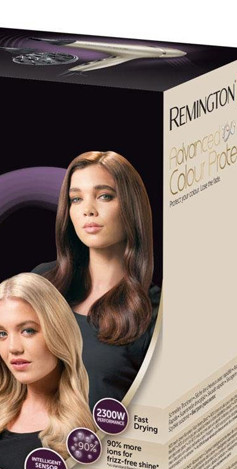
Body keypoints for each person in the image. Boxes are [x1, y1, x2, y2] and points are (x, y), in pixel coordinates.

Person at [33, 151, 161, 409]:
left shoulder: (156, 311)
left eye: (105, 196)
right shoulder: (42, 284)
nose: (88, 211)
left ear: (131, 206)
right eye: (76, 199)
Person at [0, 273, 94, 469]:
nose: (13, 348)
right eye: (1, 334)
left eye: (28, 331)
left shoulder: (92, 424)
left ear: (58, 332)